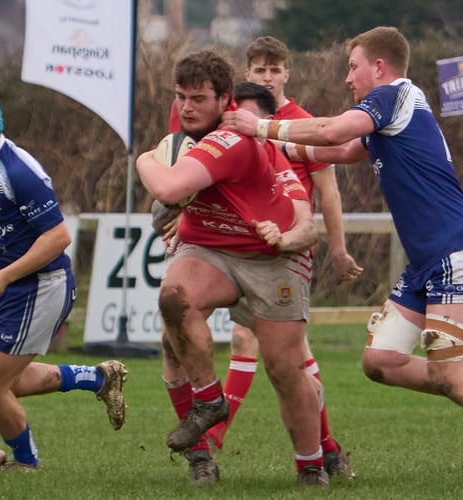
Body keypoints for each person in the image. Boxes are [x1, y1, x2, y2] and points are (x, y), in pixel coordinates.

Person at [222, 26, 463, 486]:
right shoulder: (389, 114)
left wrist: (261, 127)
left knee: (449, 375)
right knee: (380, 362)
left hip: (458, 253)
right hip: (430, 262)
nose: (348, 78)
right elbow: (341, 147)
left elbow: (333, 128)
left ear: (379, 67)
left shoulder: (393, 94)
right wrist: (272, 147)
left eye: (353, 67)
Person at [136, 48, 329, 487]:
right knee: (173, 307)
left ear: (225, 101)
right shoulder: (186, 118)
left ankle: (312, 462)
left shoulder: (232, 137)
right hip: (209, 247)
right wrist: (176, 215)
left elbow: (166, 182)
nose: (187, 107)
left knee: (284, 368)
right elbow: (176, 191)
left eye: (198, 98)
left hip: (271, 254)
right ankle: (207, 417)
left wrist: (143, 160)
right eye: (181, 96)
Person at [201, 36, 360, 479]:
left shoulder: (304, 122)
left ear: (286, 74)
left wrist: (339, 248)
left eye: (275, 70)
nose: (267, 76)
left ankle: (317, 449)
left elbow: (328, 191)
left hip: (287, 249)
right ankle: (324, 450)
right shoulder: (229, 115)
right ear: (247, 73)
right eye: (259, 70)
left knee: (290, 357)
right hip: (237, 248)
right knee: (255, 345)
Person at [0, 88, 128, 470]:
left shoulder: (18, 171)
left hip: (41, 285)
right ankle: (98, 378)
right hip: (15, 286)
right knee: (12, 382)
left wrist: (2, 277)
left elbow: (59, 237)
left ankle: (26, 463)